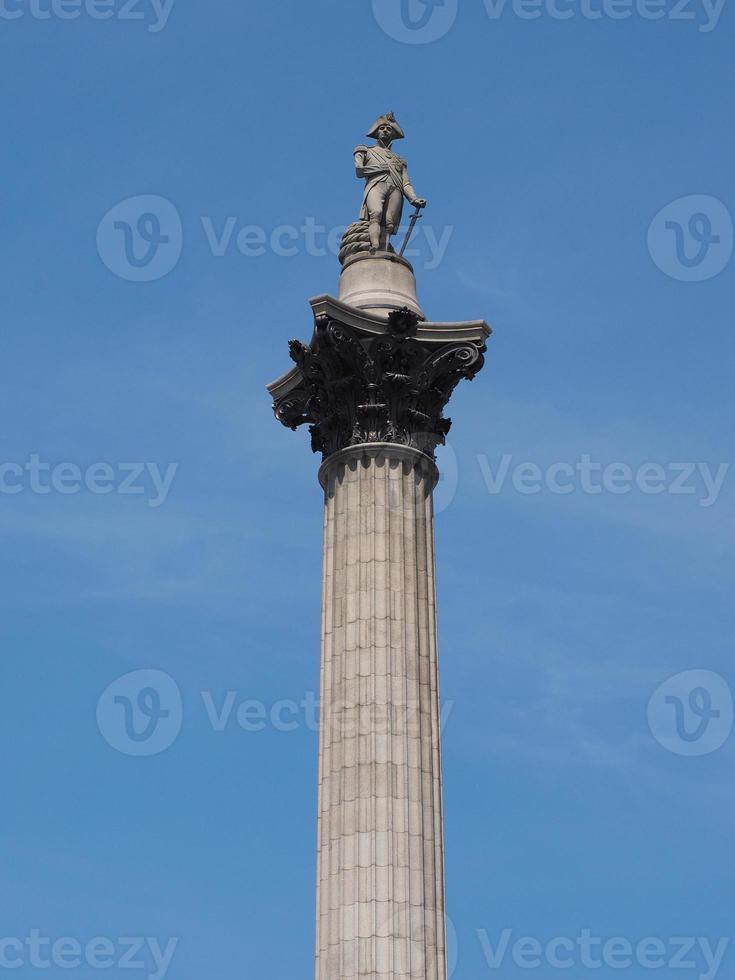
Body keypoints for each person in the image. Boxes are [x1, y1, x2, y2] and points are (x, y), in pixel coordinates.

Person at [354, 112, 427, 253]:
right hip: (376, 184)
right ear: (376, 132)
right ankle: (374, 246)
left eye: (389, 128)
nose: (385, 131)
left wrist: (414, 199)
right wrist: (379, 168)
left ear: (393, 133)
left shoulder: (399, 160)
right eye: (382, 128)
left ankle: (384, 249)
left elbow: (406, 183)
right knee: (376, 212)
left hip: (396, 189)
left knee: (390, 224)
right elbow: (359, 171)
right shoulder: (366, 151)